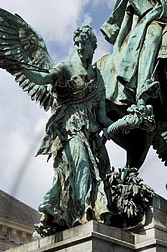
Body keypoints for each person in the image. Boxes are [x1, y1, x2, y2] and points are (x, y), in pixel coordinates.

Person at [33, 25, 114, 234]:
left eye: (83, 44)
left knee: (92, 173)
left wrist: (128, 121)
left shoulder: (98, 79)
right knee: (83, 168)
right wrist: (14, 67)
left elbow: (102, 117)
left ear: (92, 46)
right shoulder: (66, 68)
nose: (79, 47)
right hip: (69, 129)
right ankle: (83, 214)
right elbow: (42, 79)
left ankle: (68, 213)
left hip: (91, 135)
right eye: (76, 43)